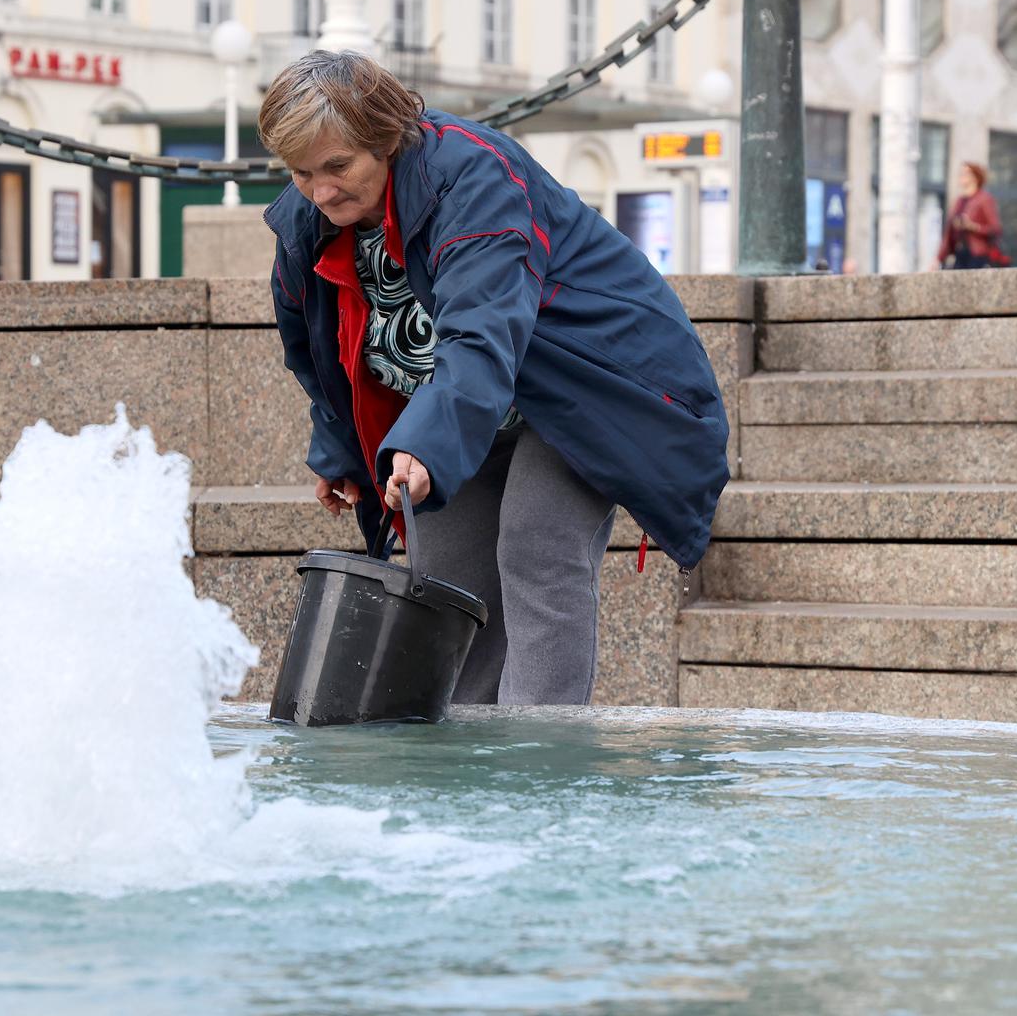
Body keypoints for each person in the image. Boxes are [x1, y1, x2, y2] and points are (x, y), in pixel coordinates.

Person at [258, 51, 729, 705]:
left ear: (387, 137)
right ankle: (471, 772)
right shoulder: (305, 217)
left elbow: (481, 332)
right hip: (455, 403)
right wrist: (340, 448)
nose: (320, 191)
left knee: (538, 544)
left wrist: (424, 442)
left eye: (338, 167)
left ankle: (535, 766)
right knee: (446, 578)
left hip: (588, 386)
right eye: (301, 172)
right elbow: (312, 345)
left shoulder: (474, 179)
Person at [935, 162, 1005, 270]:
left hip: (978, 254)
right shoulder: (959, 201)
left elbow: (995, 229)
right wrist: (938, 258)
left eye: (965, 173)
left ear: (975, 177)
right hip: (960, 253)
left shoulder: (984, 199)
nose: (961, 176)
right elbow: (949, 234)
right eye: (961, 173)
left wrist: (972, 227)